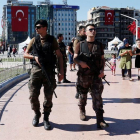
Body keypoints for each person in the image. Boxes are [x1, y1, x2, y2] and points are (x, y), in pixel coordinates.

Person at [24, 20, 64, 130]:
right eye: (35, 27)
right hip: (36, 71)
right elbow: (25, 54)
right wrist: (34, 57)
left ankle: (46, 118)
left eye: (39, 27)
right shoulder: (34, 40)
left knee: (48, 97)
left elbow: (59, 55)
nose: (36, 29)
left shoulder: (52, 40)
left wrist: (61, 72)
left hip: (49, 71)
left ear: (45, 27)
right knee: (33, 96)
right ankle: (37, 114)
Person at [74, 24, 109, 129]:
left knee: (98, 97)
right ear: (86, 32)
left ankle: (100, 120)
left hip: (96, 76)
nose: (93, 31)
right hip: (83, 76)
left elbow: (102, 59)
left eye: (94, 30)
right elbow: (75, 58)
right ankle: (82, 111)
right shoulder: (80, 44)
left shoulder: (99, 45)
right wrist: (81, 63)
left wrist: (102, 70)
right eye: (91, 29)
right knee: (82, 96)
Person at [74, 26, 86, 99]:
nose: (85, 32)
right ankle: (78, 91)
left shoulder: (86, 39)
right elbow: (75, 50)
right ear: (80, 31)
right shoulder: (77, 40)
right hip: (81, 61)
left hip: (88, 61)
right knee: (80, 77)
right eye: (84, 31)